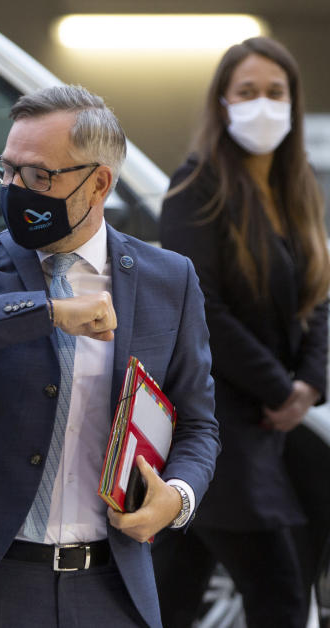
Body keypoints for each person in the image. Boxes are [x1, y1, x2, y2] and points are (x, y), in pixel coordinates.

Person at [0, 84, 220, 628]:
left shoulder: (170, 279)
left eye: (39, 176)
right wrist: (47, 310)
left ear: (99, 182)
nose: (15, 188)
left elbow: (198, 423)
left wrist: (178, 496)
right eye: (7, 170)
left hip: (113, 586)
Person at [154, 36, 330, 628]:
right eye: (247, 92)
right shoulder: (195, 187)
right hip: (215, 425)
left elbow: (320, 293)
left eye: (275, 93)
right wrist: (280, 389)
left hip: (270, 425)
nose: (262, 104)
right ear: (222, 104)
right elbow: (201, 305)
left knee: (172, 595)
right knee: (278, 589)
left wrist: (307, 381)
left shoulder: (294, 187)